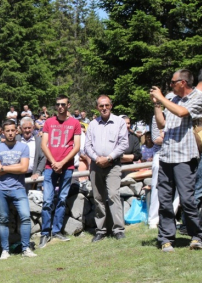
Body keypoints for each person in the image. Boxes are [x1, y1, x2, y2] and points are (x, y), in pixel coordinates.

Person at [149, 69, 202, 251]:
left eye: (173, 82)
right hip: (167, 155)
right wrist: (158, 105)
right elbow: (162, 124)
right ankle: (166, 238)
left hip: (184, 156)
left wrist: (162, 98)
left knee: (188, 199)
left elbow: (182, 112)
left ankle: (197, 236)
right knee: (165, 200)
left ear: (182, 83)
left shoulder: (199, 97)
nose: (170, 85)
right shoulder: (171, 98)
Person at [84, 95, 128, 242]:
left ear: (111, 106)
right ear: (97, 107)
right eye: (101, 106)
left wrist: (108, 158)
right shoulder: (92, 124)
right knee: (98, 198)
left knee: (114, 195)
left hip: (113, 165)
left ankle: (118, 229)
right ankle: (101, 230)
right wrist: (97, 159)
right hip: (96, 165)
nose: (104, 108)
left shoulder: (119, 122)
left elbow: (123, 144)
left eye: (106, 105)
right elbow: (87, 146)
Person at [39, 95, 81, 248]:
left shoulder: (75, 123)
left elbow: (76, 146)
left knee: (62, 199)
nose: (61, 107)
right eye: (58, 105)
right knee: (47, 200)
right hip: (51, 167)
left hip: (67, 166)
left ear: (68, 105)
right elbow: (44, 144)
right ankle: (45, 233)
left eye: (63, 104)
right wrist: (54, 162)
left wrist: (62, 162)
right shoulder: (49, 122)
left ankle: (57, 230)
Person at [0, 120, 37, 259]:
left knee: (25, 217)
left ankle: (25, 248)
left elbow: (24, 168)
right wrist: (14, 168)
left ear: (16, 131)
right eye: (8, 131)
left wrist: (4, 168)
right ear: (3, 132)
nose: (10, 133)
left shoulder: (23, 147)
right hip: (1, 189)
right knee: (3, 219)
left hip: (18, 188)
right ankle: (5, 250)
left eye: (13, 130)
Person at [18, 117, 46, 181]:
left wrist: (38, 172)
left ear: (33, 128)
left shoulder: (38, 141)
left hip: (33, 177)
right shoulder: (17, 140)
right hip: (18, 176)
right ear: (21, 128)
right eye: (25, 128)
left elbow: (43, 158)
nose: (27, 130)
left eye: (29, 128)